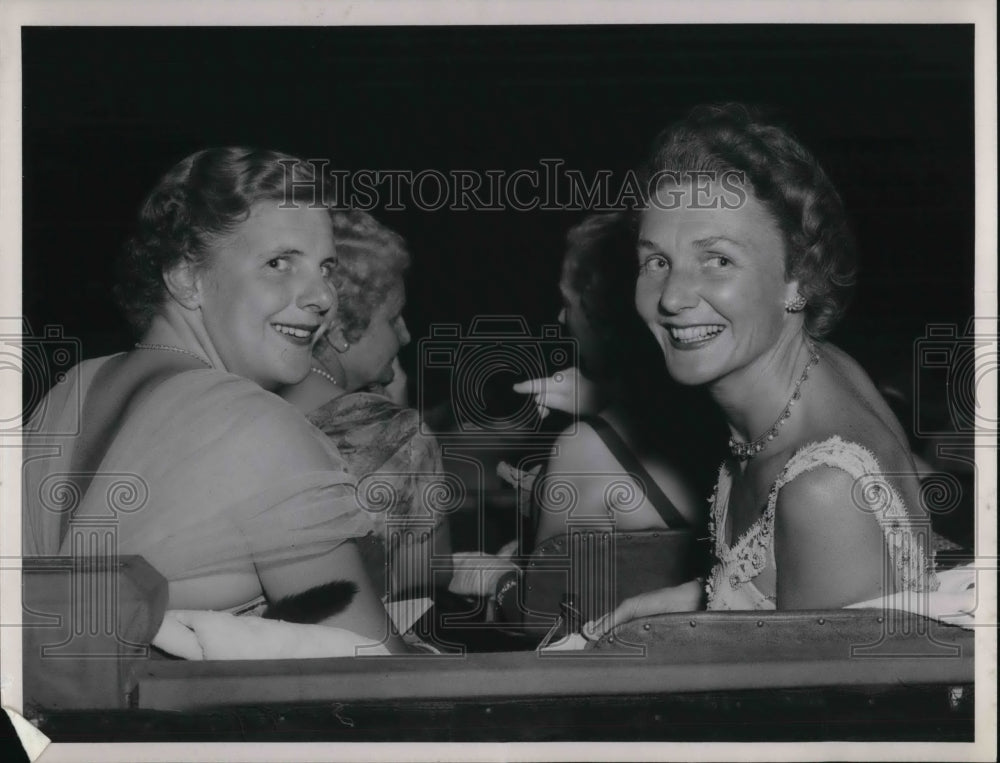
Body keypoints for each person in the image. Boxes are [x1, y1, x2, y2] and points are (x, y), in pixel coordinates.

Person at [22, 148, 405, 652]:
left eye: (326, 267)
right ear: (186, 277)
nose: (324, 298)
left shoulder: (66, 392)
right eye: (279, 263)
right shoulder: (257, 426)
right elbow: (374, 675)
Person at [586, 103, 939, 635]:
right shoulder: (819, 369)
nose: (673, 298)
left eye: (718, 260)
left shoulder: (825, 489)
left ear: (799, 279)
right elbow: (792, 590)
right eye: (657, 261)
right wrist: (694, 603)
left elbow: (821, 714)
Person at [280, 208, 451, 603]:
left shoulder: (241, 403)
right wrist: (407, 426)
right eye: (393, 319)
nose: (406, 336)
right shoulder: (404, 439)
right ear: (340, 333)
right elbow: (424, 592)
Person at [514, 213, 715, 547]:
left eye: (568, 303)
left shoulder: (584, 449)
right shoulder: (729, 420)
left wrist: (502, 577)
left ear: (602, 317)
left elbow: (548, 597)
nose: (561, 318)